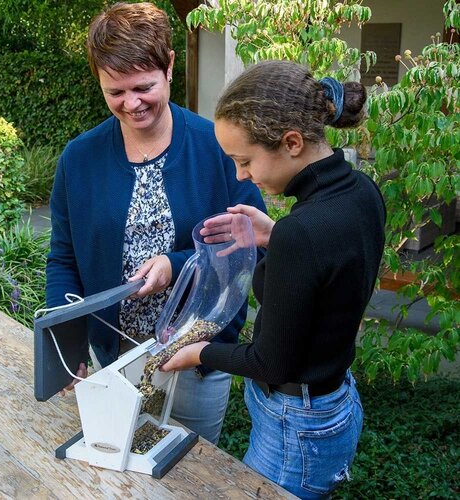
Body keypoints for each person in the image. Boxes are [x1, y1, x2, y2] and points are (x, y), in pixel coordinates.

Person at [161, 60, 386, 498]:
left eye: (244, 161)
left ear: (292, 142)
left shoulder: (301, 234)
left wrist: (199, 352)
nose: (241, 176)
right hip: (334, 401)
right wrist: (274, 235)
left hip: (295, 428)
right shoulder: (362, 192)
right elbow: (333, 271)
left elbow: (270, 363)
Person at [45, 2, 266, 445]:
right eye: (115, 92)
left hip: (195, 357)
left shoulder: (216, 146)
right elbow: (63, 258)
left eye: (143, 87)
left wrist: (175, 265)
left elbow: (248, 246)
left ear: (169, 66)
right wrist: (65, 340)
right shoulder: (79, 158)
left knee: (192, 476)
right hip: (113, 357)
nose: (131, 104)